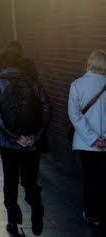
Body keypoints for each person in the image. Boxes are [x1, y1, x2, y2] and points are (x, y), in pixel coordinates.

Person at [0, 49, 51, 235]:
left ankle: (13, 221)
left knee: (10, 181)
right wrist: (35, 136)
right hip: (32, 143)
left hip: (8, 144)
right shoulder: (32, 81)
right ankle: (36, 207)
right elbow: (46, 108)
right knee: (30, 181)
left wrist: (15, 137)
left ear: (3, 63)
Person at [68, 48, 106, 228]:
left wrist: (92, 138)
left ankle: (92, 214)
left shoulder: (77, 84)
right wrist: (103, 138)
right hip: (105, 143)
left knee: (90, 179)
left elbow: (74, 115)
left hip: (85, 143)